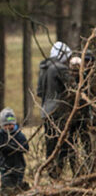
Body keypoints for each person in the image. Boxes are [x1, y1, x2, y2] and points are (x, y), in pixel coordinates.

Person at [37, 41, 72, 178]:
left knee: (50, 145)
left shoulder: (44, 67)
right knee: (62, 145)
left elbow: (39, 92)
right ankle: (57, 173)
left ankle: (52, 174)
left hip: (46, 111)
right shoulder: (59, 68)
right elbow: (72, 87)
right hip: (58, 112)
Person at [0, 108, 29, 196]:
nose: (8, 127)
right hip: (5, 165)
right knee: (6, 183)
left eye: (10, 124)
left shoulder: (19, 135)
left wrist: (16, 148)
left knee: (17, 183)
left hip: (18, 165)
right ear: (1, 125)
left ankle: (18, 195)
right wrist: (1, 149)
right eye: (6, 125)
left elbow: (26, 148)